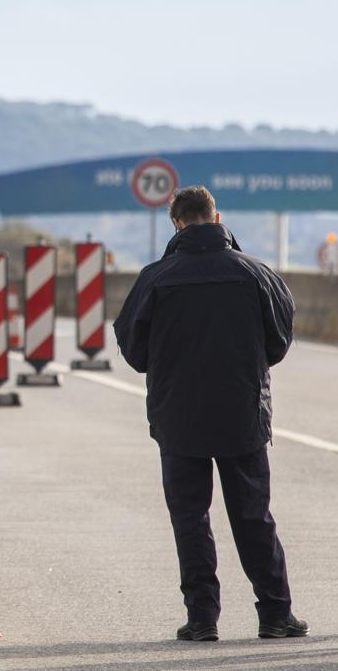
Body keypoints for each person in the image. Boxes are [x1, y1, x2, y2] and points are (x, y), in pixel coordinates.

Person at [114, 185, 305, 643]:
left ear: (176, 223)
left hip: (178, 419)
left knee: (191, 519)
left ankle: (202, 619)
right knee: (253, 515)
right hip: (242, 414)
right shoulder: (256, 274)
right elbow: (278, 342)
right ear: (217, 219)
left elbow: (134, 350)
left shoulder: (155, 278)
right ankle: (276, 614)